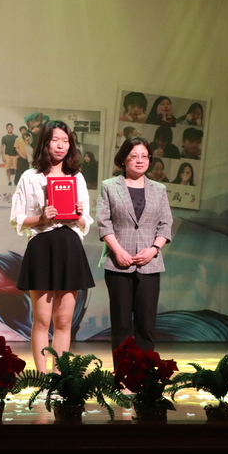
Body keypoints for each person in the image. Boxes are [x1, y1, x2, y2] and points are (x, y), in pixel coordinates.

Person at [10, 120, 94, 373]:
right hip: (41, 247)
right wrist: (42, 218)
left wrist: (77, 214)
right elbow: (17, 219)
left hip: (69, 248)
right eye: (55, 140)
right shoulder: (30, 177)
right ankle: (41, 376)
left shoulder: (76, 177)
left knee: (64, 320)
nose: (60, 145)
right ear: (45, 143)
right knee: (42, 320)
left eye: (65, 141)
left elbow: (85, 223)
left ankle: (59, 375)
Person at [96, 136, 172, 360]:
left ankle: (145, 374)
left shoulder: (159, 189)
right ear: (123, 160)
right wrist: (118, 251)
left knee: (146, 325)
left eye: (145, 156)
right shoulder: (109, 186)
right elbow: (104, 223)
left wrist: (154, 249)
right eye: (134, 156)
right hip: (118, 263)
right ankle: (122, 374)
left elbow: (165, 224)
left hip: (150, 264)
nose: (140, 160)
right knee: (121, 325)